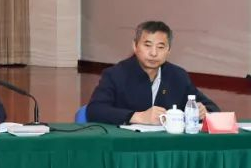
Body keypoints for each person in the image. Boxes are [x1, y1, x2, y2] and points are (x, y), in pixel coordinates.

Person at [86, 20, 219, 125]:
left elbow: (212, 108)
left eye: (160, 47)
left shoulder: (178, 76)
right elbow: (95, 110)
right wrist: (137, 117)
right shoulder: (115, 74)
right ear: (135, 46)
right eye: (147, 45)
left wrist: (204, 111)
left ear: (169, 50)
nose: (154, 53)